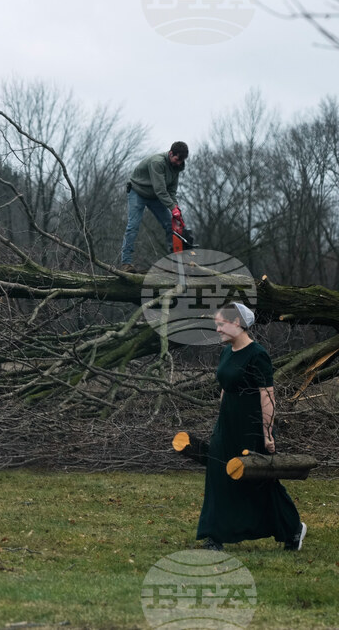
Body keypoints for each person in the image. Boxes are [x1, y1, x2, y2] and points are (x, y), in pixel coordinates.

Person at [196, 302, 306, 551]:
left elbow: (267, 396)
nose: (218, 330)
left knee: (260, 483)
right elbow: (226, 388)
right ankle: (214, 536)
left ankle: (293, 529)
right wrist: (220, 420)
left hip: (252, 428)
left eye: (221, 324)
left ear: (237, 323)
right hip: (227, 426)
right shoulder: (226, 352)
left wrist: (267, 434)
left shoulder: (258, 354)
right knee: (219, 478)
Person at [120, 141, 189, 272]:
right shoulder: (157, 162)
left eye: (182, 160)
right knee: (133, 226)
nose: (179, 162)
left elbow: (172, 192)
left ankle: (176, 262)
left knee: (172, 224)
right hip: (138, 192)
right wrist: (172, 207)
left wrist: (176, 209)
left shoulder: (177, 167)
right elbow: (160, 190)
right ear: (170, 153)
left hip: (156, 197)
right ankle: (126, 264)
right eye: (177, 159)